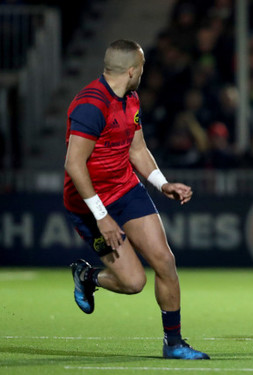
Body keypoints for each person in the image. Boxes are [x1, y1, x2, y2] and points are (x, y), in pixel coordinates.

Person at [63, 39, 209, 359]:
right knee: (133, 282)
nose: (143, 73)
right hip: (90, 205)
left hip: (126, 190)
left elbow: (137, 149)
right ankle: (87, 276)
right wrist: (102, 216)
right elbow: (74, 165)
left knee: (165, 261)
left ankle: (174, 344)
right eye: (141, 67)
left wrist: (162, 183)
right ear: (132, 70)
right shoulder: (91, 105)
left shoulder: (130, 98)